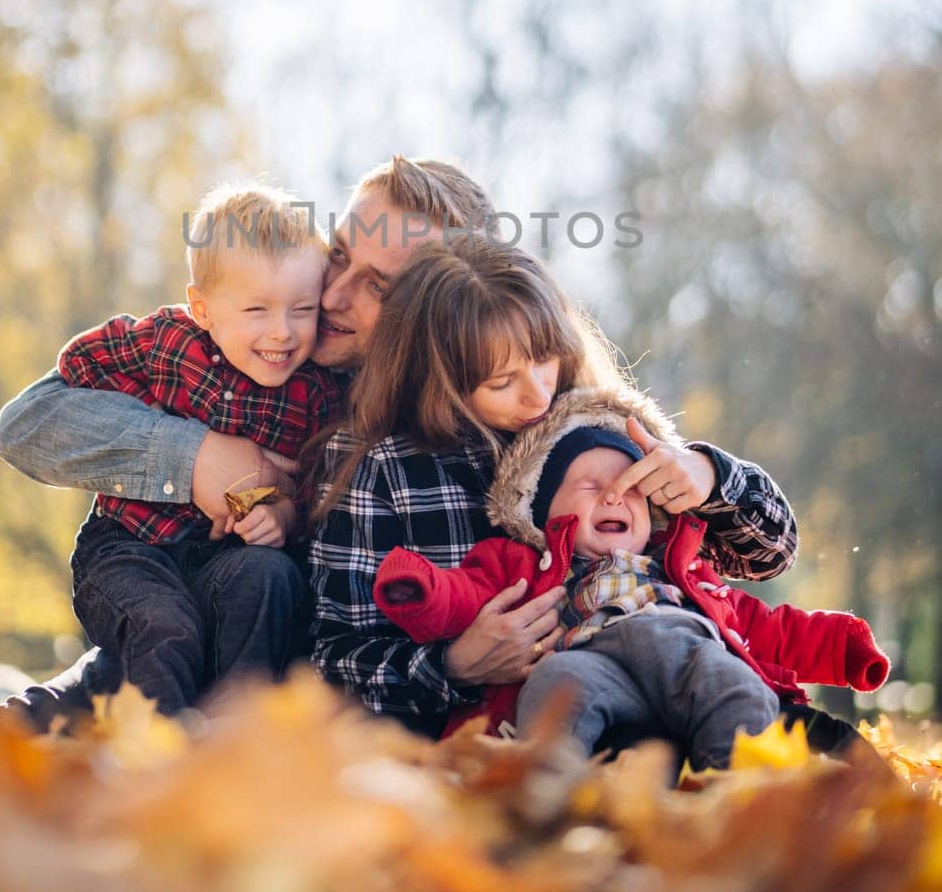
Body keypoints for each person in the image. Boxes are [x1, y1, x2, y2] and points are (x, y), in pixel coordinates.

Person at [0, 156, 505, 721]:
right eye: (338, 255)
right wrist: (196, 458)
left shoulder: (459, 424)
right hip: (159, 618)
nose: (331, 295)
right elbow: (29, 422)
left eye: (378, 286)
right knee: (12, 736)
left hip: (287, 682)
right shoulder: (247, 344)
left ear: (439, 311)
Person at [309, 236, 800, 742]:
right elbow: (334, 661)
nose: (539, 393)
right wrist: (452, 666)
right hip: (502, 743)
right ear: (443, 382)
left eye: (545, 360)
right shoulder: (386, 471)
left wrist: (710, 477)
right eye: (503, 382)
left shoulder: (599, 428)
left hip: (672, 701)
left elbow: (770, 555)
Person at [374, 387, 889, 766]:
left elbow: (769, 628)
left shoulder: (684, 570)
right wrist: (416, 588)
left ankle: (742, 781)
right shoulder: (522, 564)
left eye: (631, 487)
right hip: (589, 666)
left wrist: (844, 650)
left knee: (718, 676)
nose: (614, 495)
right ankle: (544, 793)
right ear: (546, 513)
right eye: (589, 485)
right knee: (555, 690)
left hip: (683, 658)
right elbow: (466, 594)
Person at [56, 183, 343, 714]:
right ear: (203, 308)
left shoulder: (318, 393)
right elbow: (78, 365)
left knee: (270, 577)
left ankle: (229, 740)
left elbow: (316, 493)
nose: (281, 332)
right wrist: (166, 430)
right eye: (257, 309)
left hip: (228, 559)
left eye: (301, 309)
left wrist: (283, 512)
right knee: (165, 626)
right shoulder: (169, 342)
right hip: (129, 548)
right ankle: (156, 756)